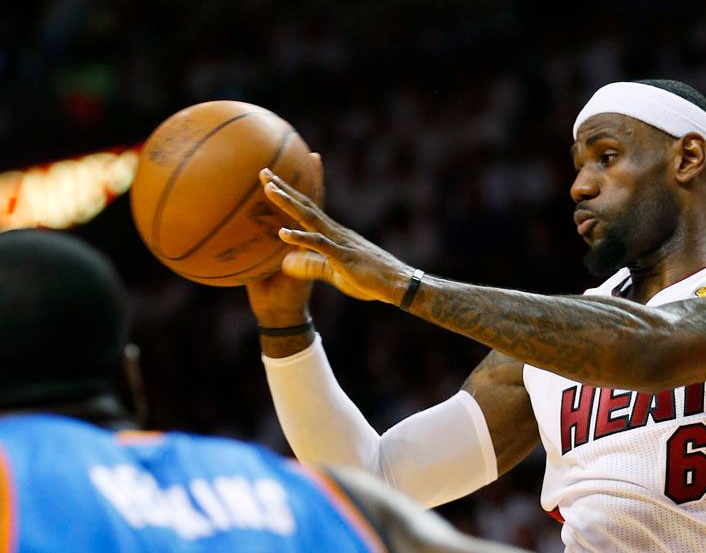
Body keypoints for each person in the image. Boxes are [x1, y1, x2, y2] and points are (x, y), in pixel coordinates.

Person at [248, 79, 706, 552]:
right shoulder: (549, 347)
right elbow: (372, 478)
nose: (579, 186)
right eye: (578, 166)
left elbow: (652, 350)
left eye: (606, 157)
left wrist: (407, 285)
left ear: (686, 158)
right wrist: (284, 328)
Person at [0, 229, 524, 553]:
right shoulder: (273, 482)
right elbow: (383, 488)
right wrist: (284, 324)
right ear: (130, 379)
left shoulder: (15, 480)